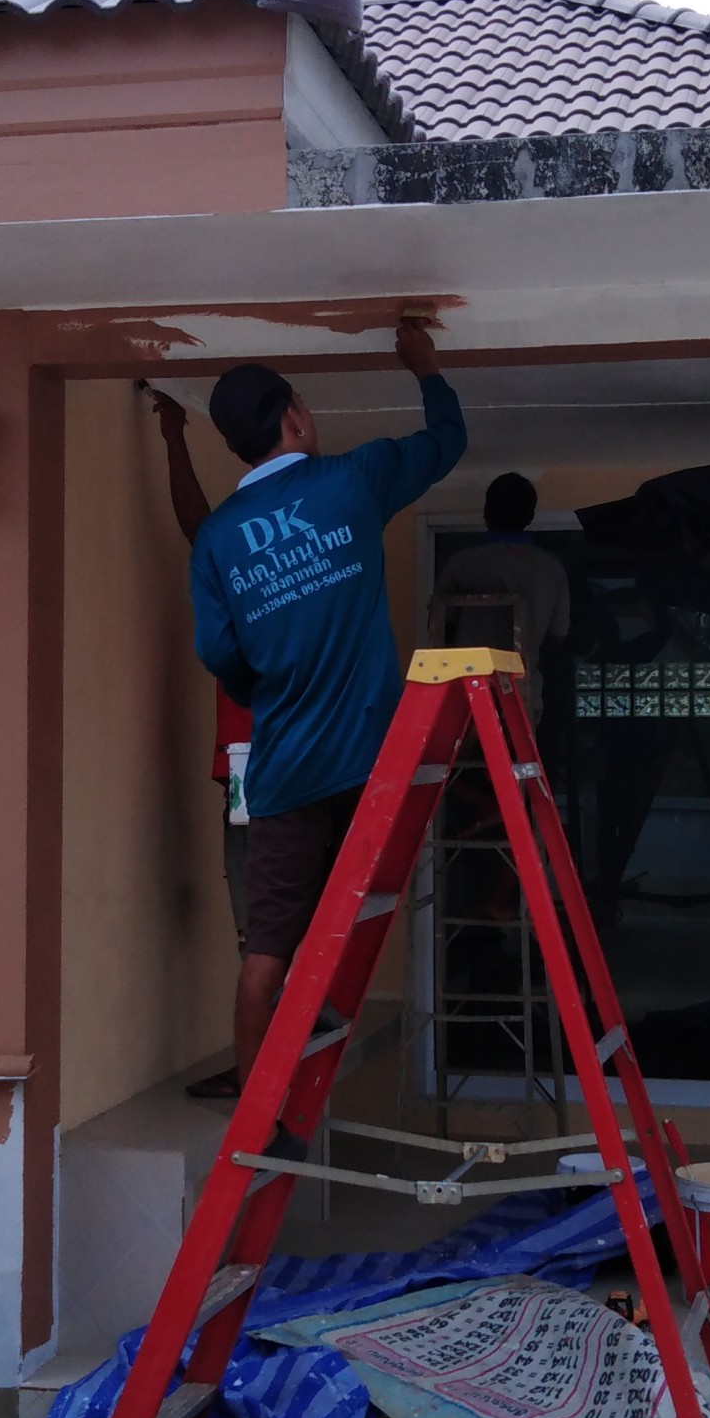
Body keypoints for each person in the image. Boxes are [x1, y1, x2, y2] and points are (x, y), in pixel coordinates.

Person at [191, 317, 466, 1087]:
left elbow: (218, 653)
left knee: (265, 953)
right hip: (373, 766)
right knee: (348, 921)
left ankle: (257, 1109)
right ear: (294, 418)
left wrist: (269, 686)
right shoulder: (353, 480)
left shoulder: (217, 539)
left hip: (284, 775)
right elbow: (448, 441)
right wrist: (425, 366)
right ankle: (303, 1053)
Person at [143, 381, 255, 1099]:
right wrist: (172, 438)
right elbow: (197, 523)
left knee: (261, 930)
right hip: (294, 768)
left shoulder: (252, 578)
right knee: (274, 925)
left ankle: (261, 1071)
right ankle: (270, 1059)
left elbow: (197, 525)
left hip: (260, 770)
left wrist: (174, 437)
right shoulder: (302, 576)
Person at [429, 471, 573, 728]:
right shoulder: (550, 569)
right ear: (530, 517)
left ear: (486, 513)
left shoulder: (462, 565)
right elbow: (558, 637)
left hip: (466, 691)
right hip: (522, 692)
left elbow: (438, 626)